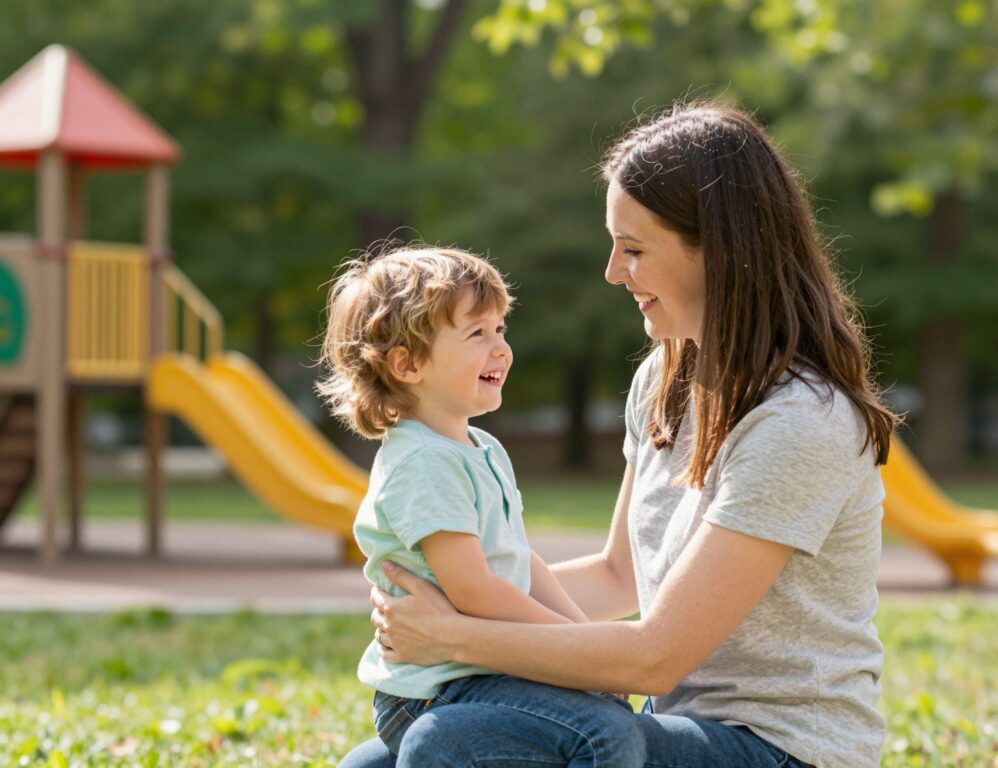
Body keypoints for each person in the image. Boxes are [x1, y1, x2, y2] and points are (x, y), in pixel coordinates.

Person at [342, 103, 900, 768]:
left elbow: (655, 657)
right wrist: (439, 593)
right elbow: (618, 576)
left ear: (719, 254)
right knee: (370, 764)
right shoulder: (664, 379)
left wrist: (454, 634)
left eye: (633, 249)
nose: (611, 272)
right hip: (679, 728)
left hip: (780, 749)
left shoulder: (800, 423)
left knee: (448, 742)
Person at [319, 245, 645, 766]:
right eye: (477, 334)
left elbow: (523, 561)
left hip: (481, 670)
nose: (501, 349)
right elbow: (475, 590)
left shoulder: (481, 448)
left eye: (501, 330)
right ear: (407, 364)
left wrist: (587, 644)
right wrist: (583, 656)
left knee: (606, 715)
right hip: (437, 687)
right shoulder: (422, 463)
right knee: (603, 732)